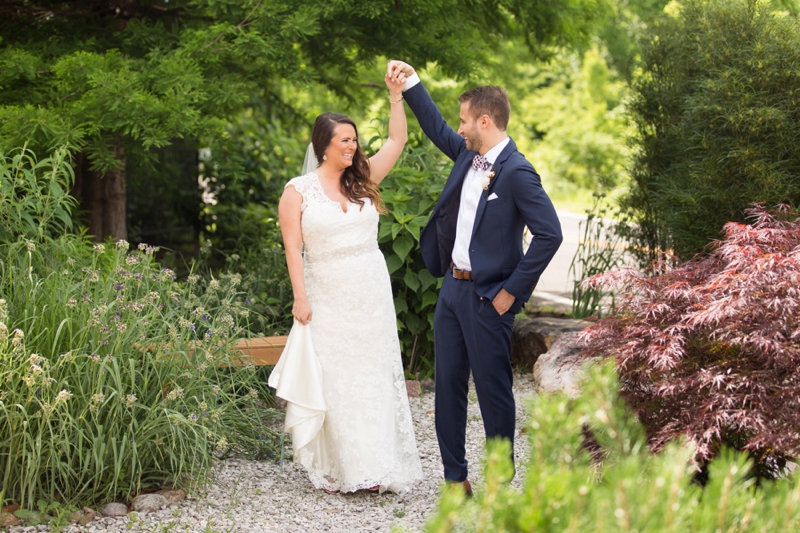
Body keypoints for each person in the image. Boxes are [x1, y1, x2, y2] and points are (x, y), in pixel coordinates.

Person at [387, 60, 563, 494]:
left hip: (489, 300)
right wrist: (410, 83)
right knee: (447, 387)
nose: (460, 128)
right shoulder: (469, 154)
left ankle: (501, 484)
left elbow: (549, 235)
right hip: (451, 291)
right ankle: (455, 479)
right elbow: (436, 127)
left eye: (466, 120)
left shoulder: (518, 172)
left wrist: (510, 294)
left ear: (486, 120)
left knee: (493, 393)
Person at [277, 71, 423, 494]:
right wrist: (300, 299)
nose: (352, 146)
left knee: (373, 375)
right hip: (326, 295)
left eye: (354, 140)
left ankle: (376, 467)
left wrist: (396, 96)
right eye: (344, 140)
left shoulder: (364, 179)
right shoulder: (297, 192)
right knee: (337, 378)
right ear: (323, 144)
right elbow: (293, 250)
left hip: (370, 291)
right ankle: (341, 467)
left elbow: (396, 142)